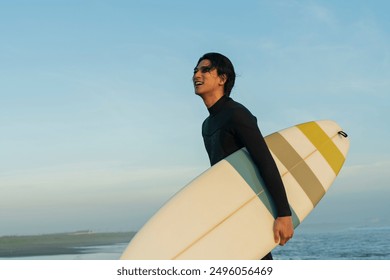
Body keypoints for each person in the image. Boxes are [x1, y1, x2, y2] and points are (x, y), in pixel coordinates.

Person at [192, 52, 294, 260]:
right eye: (195, 70)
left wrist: (284, 214)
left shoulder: (237, 114)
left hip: (250, 206)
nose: (196, 75)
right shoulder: (207, 125)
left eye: (205, 70)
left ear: (222, 78)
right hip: (231, 208)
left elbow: (264, 161)